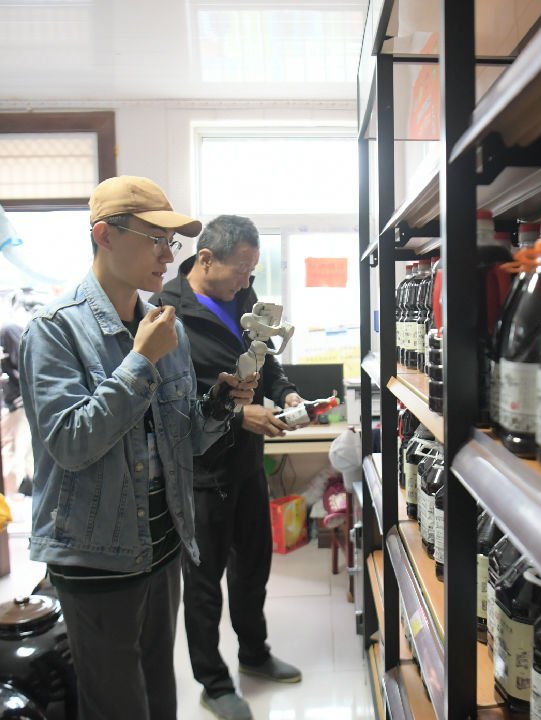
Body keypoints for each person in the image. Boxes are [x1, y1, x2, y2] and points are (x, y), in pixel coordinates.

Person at [18, 176, 258, 720]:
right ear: (104, 235)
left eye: (170, 242)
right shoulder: (54, 331)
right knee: (118, 705)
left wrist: (219, 404)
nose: (167, 255)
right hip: (96, 557)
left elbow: (184, 440)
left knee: (158, 695)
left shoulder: (163, 325)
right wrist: (141, 360)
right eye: (154, 239)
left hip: (162, 546)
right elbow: (71, 443)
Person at [155, 214, 303, 720]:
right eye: (240, 269)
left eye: (252, 271)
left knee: (252, 569)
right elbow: (172, 402)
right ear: (206, 259)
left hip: (246, 465)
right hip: (201, 474)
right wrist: (241, 415)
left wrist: (285, 392)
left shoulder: (243, 299)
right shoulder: (166, 314)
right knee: (203, 586)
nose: (247, 280)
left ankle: (254, 654)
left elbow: (264, 360)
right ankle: (213, 683)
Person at [0, 292, 34, 497]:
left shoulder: (9, 329)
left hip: (18, 402)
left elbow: (25, 364)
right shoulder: (10, 330)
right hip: (17, 401)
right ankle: (19, 492)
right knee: (20, 449)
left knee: (19, 449)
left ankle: (17, 493)